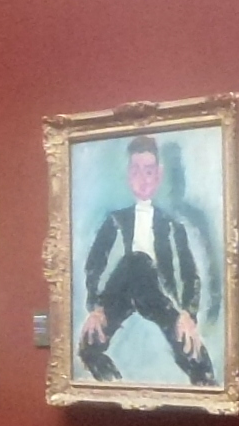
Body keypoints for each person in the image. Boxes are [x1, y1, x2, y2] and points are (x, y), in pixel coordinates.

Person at [78, 135, 213, 384]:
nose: (142, 179)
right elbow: (94, 267)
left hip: (157, 296)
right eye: (136, 171)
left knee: (197, 359)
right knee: (88, 347)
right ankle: (115, 385)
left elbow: (190, 275)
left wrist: (187, 314)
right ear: (128, 175)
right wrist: (96, 308)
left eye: (149, 172)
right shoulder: (115, 220)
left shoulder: (172, 226)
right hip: (120, 292)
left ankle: (204, 383)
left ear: (158, 176)